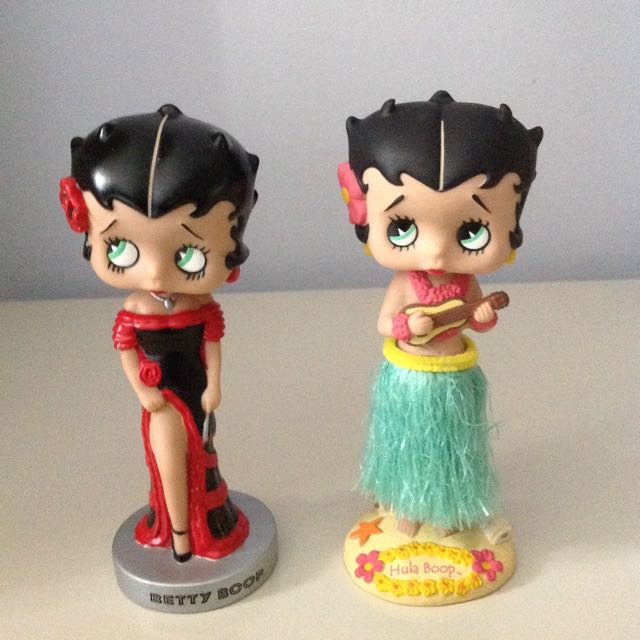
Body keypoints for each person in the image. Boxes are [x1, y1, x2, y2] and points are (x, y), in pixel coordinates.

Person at [338, 91, 542, 540]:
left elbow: (479, 321)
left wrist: (483, 314)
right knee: (409, 448)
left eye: (471, 231)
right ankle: (408, 505)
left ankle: (449, 508)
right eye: (403, 227)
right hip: (409, 380)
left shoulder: (466, 284)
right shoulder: (405, 284)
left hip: (454, 379)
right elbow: (384, 323)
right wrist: (407, 325)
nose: (435, 251)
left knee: (452, 448)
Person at [60, 104, 259, 561]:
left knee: (200, 458)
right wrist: (142, 391)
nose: (155, 273)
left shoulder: (201, 306)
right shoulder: (134, 310)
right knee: (167, 455)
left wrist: (214, 385)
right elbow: (127, 349)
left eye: (188, 255)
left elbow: (212, 342)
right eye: (121, 248)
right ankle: (179, 533)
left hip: (194, 389)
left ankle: (198, 528)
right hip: (160, 396)